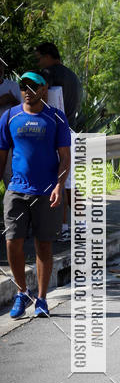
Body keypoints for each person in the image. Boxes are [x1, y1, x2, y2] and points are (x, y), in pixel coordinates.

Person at [0, 72, 71, 318]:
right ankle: (22, 292)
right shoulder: (10, 116)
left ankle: (41, 299)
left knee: (43, 245)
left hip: (46, 191)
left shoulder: (56, 118)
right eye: (23, 86)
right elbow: (2, 155)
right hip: (16, 190)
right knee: (13, 242)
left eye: (33, 86)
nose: (28, 90)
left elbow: (64, 158)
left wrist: (59, 186)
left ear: (44, 89)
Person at [35, 42, 82, 240]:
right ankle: (80, 224)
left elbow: (43, 101)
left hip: (56, 133)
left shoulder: (48, 73)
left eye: (38, 58)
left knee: (59, 181)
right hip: (74, 131)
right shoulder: (73, 76)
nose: (37, 62)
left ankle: (62, 228)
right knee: (72, 183)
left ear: (48, 56)